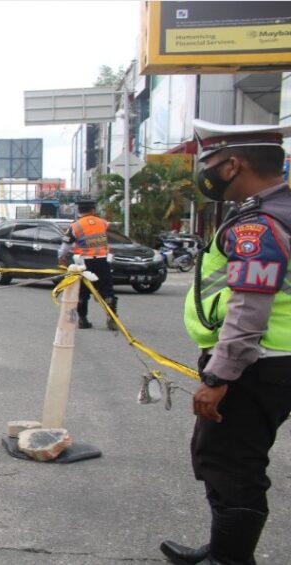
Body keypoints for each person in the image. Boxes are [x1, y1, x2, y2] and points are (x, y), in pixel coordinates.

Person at [161, 120, 291, 565]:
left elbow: (249, 306)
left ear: (234, 164)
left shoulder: (259, 225)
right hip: (274, 361)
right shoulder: (280, 210)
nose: (206, 173)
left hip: (255, 364)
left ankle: (230, 560)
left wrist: (219, 374)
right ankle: (223, 549)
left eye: (210, 163)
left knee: (232, 465)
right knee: (230, 459)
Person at [58, 199, 117, 330]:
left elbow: (65, 246)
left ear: (78, 210)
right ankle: (112, 318)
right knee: (107, 290)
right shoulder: (102, 223)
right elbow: (111, 227)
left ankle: (83, 320)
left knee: (82, 292)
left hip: (83, 263)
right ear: (93, 210)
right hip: (102, 261)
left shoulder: (75, 226)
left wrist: (61, 258)